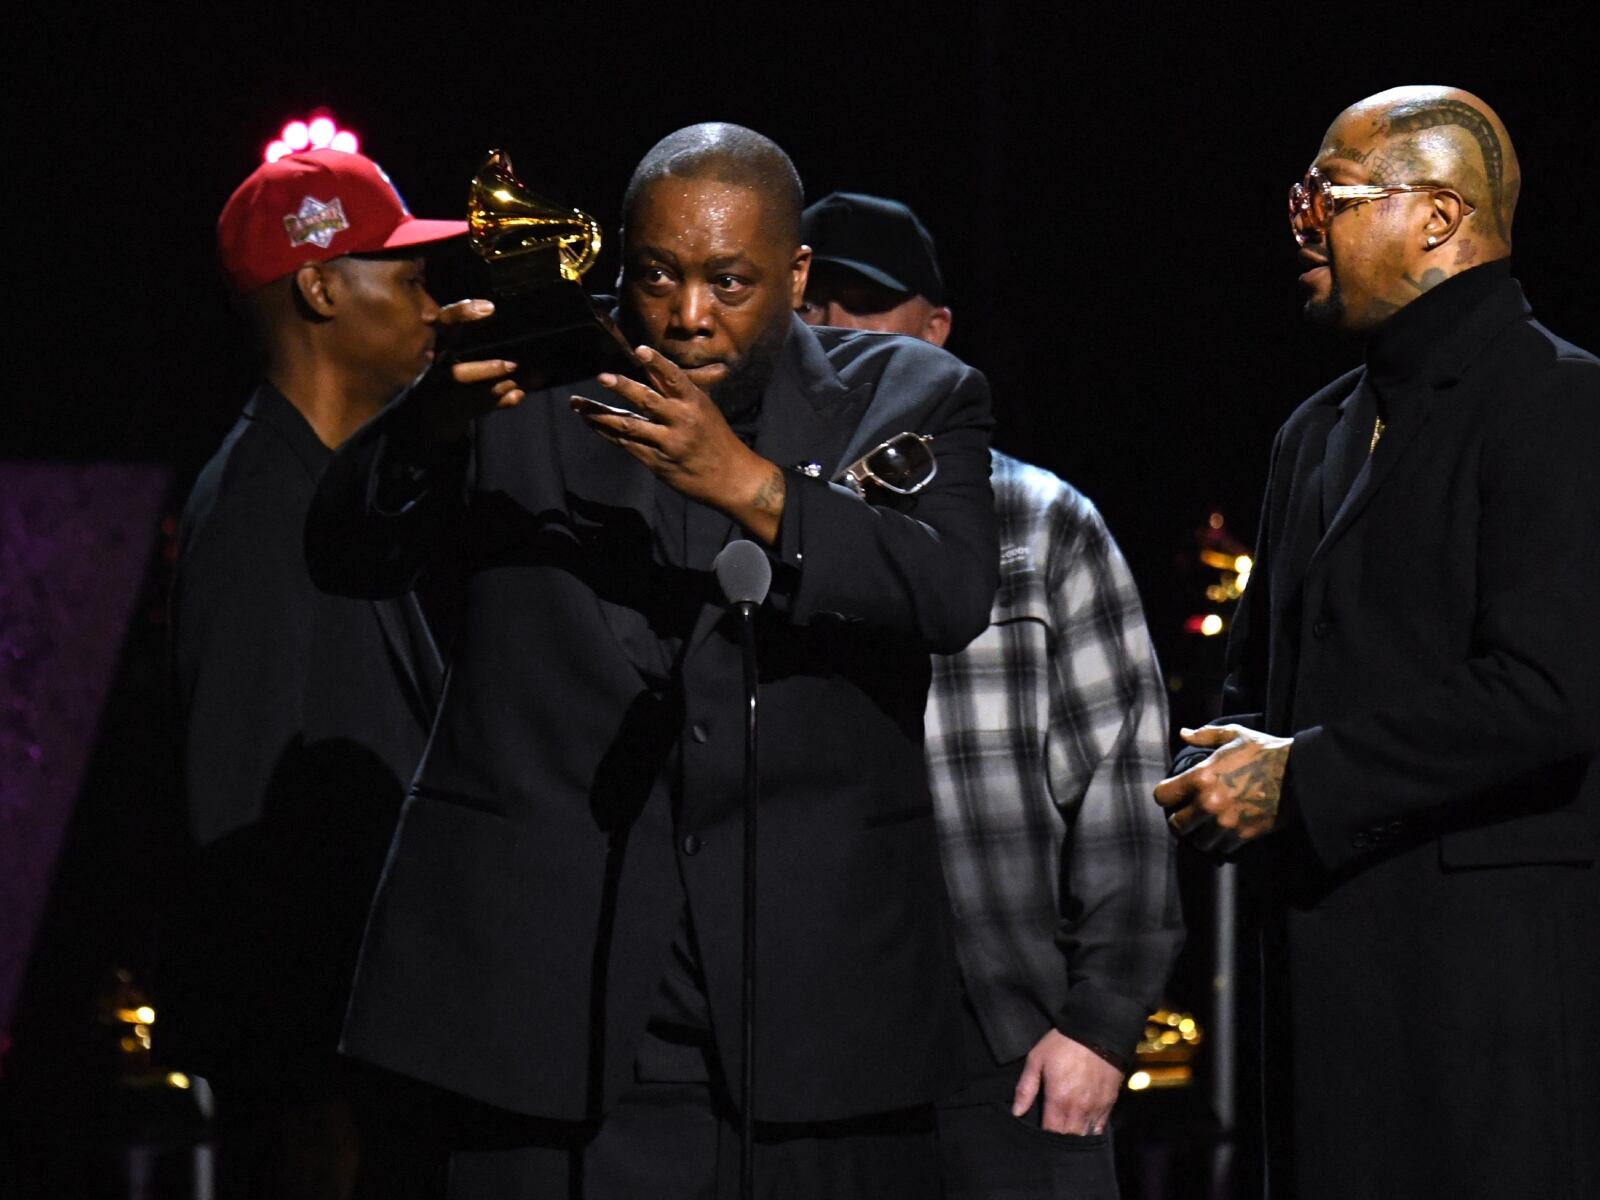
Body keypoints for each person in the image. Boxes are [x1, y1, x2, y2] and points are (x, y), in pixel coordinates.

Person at [303, 123, 999, 1198]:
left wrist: (752, 488)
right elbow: (343, 554)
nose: (687, 316)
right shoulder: (521, 392)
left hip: (810, 1021)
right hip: (545, 1013)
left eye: (730, 282)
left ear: (795, 272)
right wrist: (428, 424)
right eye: (659, 277)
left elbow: (947, 592)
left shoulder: (907, 394)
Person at [1154, 86, 1600, 1198]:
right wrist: (1227, 756)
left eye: (1327, 196)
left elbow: (1552, 690)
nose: (1300, 221)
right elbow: (1266, 681)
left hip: (1481, 1002)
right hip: (1316, 979)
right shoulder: (1313, 431)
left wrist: (1299, 775)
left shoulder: (1560, 402)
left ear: (1437, 218)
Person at [801, 192, 1181, 1198]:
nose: (834, 330)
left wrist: (1101, 1024)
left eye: (865, 306)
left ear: (937, 333)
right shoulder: (737, 520)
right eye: (812, 303)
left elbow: (1123, 780)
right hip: (806, 1044)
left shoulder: (1041, 522)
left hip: (1010, 1048)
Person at [167, 149, 491, 1197]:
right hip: (332, 1090)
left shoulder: (331, 494)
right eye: (405, 279)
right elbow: (240, 818)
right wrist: (305, 1104)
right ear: (318, 287)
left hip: (378, 1056)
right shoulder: (263, 509)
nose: (433, 307)